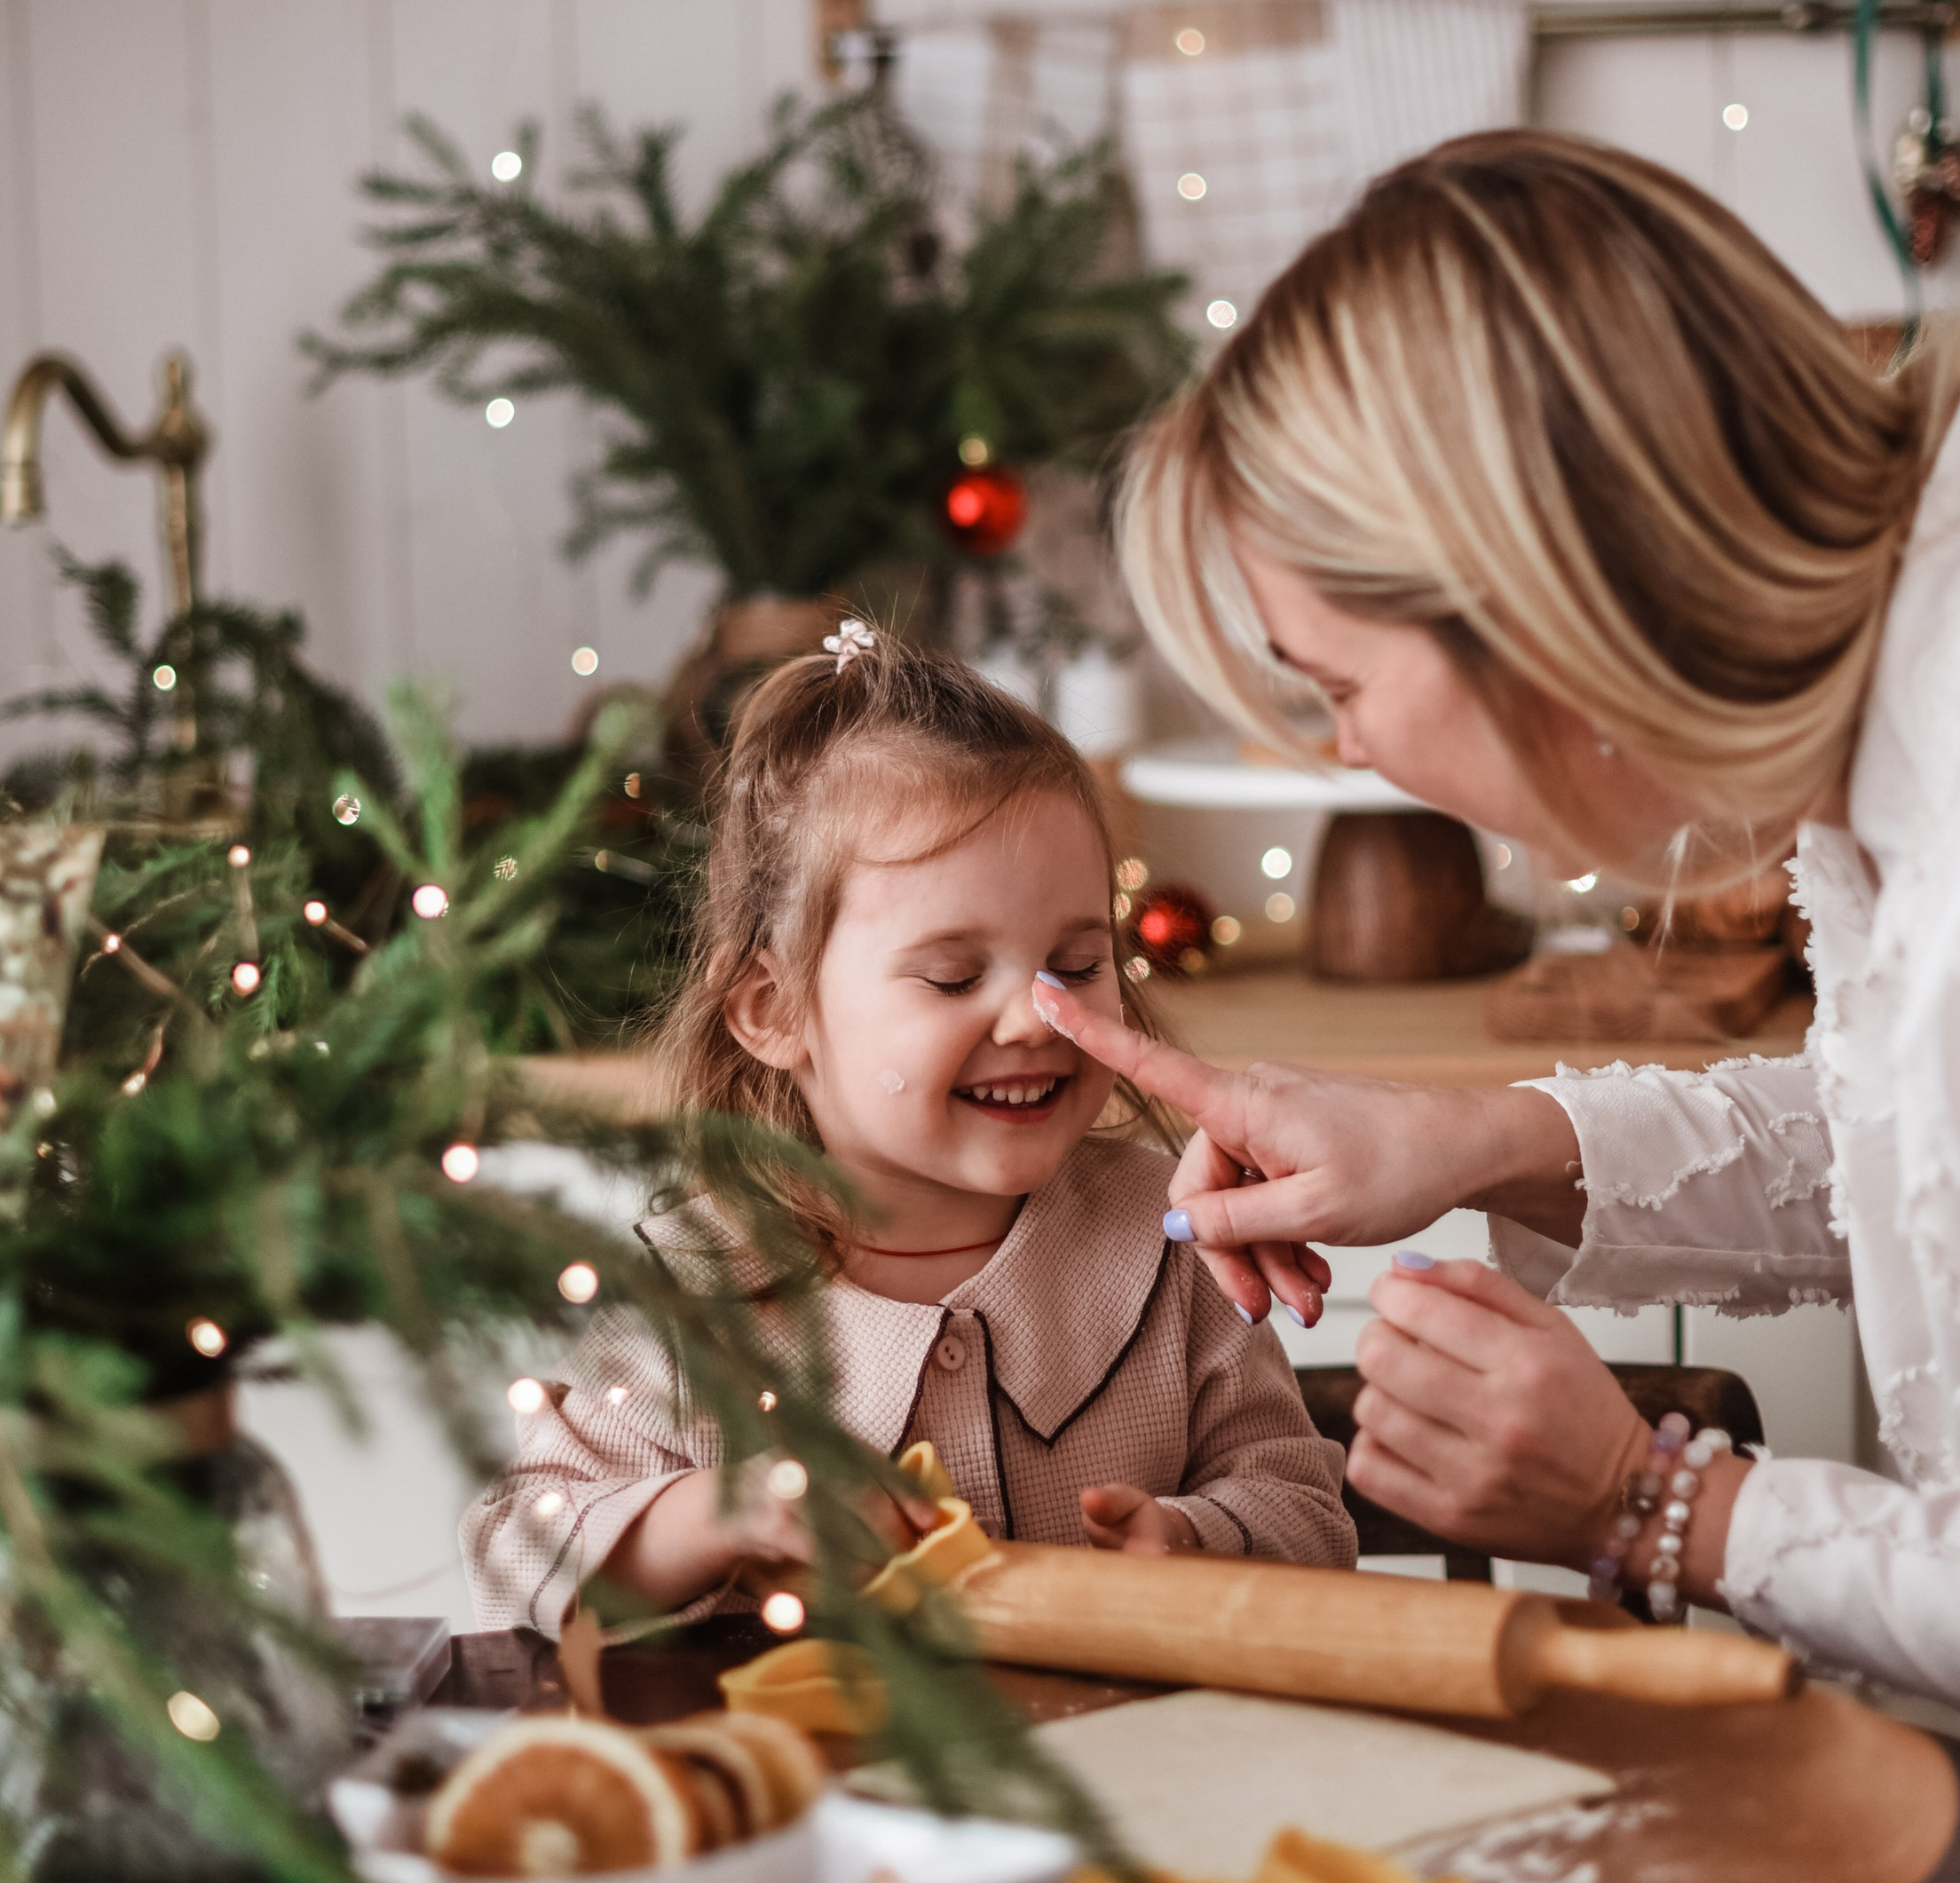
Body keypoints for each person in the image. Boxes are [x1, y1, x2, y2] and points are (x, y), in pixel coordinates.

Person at [1033, 129, 1960, 1748]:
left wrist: (1658, 1501)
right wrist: (1479, 1142)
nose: (1348, 754)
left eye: (1337, 687)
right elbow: (1956, 1142)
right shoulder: (1929, 652)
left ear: (1538, 601)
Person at [464, 629, 1360, 1632]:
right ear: (772, 1010)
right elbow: (516, 1544)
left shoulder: (1174, 1240)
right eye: (952, 976)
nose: (1034, 1017)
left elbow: (1308, 1516)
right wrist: (721, 1515)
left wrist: (1193, 1541)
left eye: (1075, 964)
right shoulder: (686, 1290)